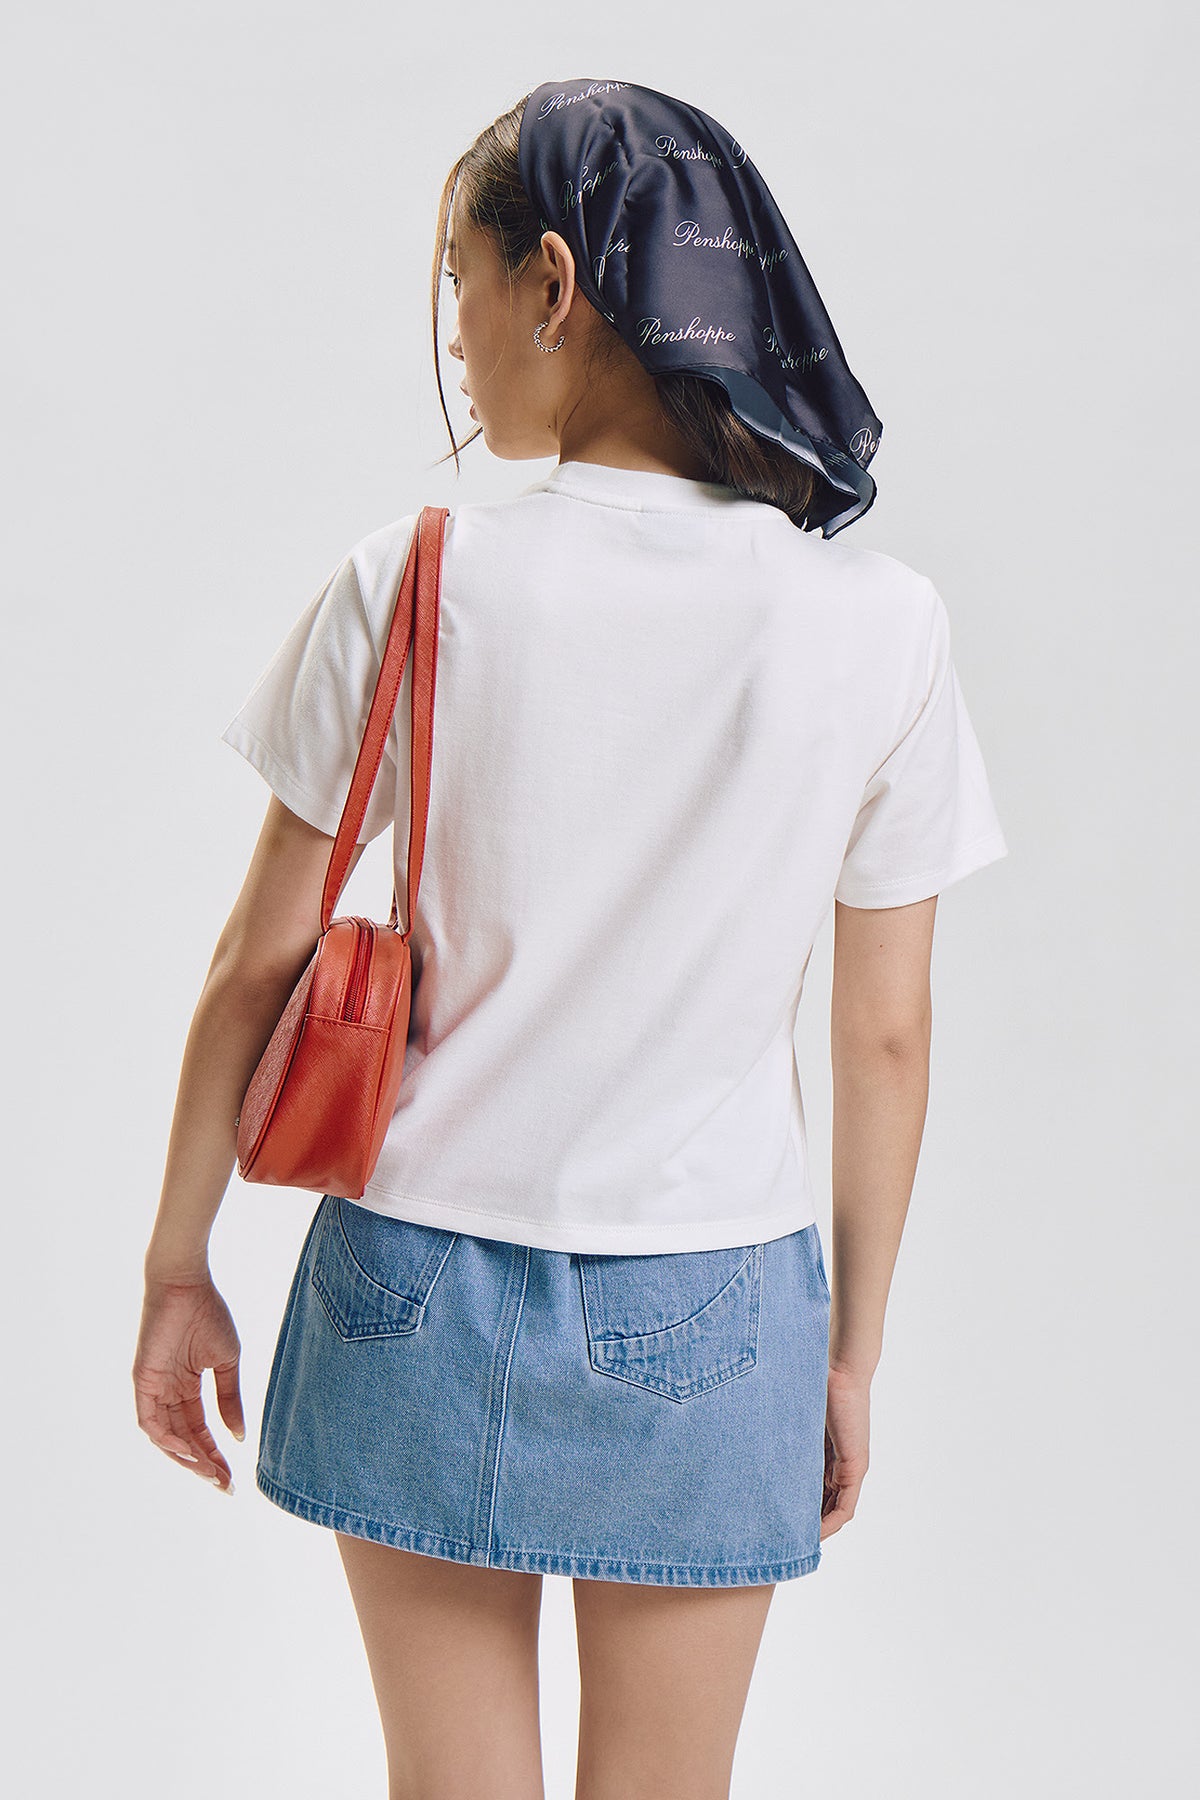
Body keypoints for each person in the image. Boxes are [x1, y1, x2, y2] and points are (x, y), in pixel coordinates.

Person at [133, 77, 1008, 1800]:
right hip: (715, 1304)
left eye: (455, 287)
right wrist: (850, 1353)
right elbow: (885, 1031)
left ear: (551, 282)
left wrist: (179, 1266)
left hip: (408, 1288)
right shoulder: (879, 625)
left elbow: (256, 962)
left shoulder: (418, 572)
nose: (454, 345)